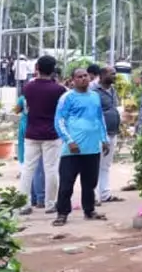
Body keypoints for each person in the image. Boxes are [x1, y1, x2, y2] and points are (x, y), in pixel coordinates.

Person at [53, 68, 108, 227]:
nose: (83, 79)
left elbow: (99, 119)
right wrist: (69, 141)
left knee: (90, 183)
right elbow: (59, 121)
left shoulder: (95, 96)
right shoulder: (67, 98)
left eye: (85, 76)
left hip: (92, 148)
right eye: (79, 77)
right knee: (66, 183)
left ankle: (89, 210)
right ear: (73, 80)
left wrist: (104, 139)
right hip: (72, 149)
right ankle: (62, 213)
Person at [20, 55, 67, 215]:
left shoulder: (28, 87)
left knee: (27, 169)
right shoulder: (59, 89)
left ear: (37, 68)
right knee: (51, 169)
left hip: (31, 132)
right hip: (52, 133)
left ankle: (24, 204)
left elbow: (26, 107)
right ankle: (50, 204)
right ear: (53, 70)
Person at [91, 65, 124, 204]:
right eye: (112, 74)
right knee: (94, 165)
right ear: (102, 75)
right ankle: (92, 197)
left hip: (112, 132)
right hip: (98, 133)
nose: (115, 76)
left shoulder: (112, 90)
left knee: (106, 165)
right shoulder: (93, 91)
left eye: (115, 74)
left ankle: (105, 194)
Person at [14, 94, 46, 209]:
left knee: (28, 166)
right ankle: (40, 198)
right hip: (37, 127)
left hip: (25, 127)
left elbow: (16, 110)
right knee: (39, 167)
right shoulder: (41, 96)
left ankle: (33, 199)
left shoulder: (24, 98)